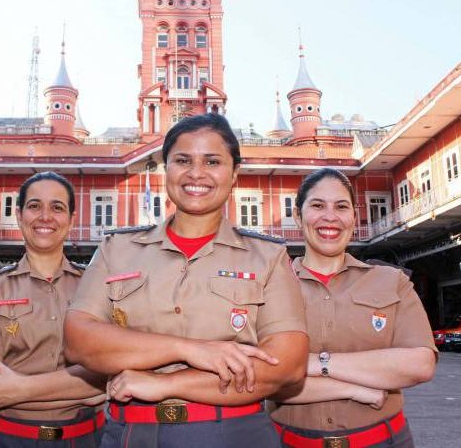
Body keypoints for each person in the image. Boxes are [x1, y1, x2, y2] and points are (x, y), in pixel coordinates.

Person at [64, 113, 308, 448]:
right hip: (135, 435)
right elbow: (79, 340)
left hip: (234, 434)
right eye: (182, 160)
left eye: (212, 161)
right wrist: (190, 350)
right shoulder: (116, 250)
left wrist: (167, 384)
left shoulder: (268, 257)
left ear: (234, 173)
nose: (196, 173)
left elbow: (287, 366)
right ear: (166, 168)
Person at [270, 167, 437, 448]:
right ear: (297, 215)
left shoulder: (392, 281)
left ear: (353, 217)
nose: (330, 217)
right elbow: (264, 380)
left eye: (341, 206)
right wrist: (358, 388)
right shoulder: (269, 286)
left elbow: (419, 365)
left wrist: (311, 363)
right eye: (318, 205)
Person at [0, 171, 106, 447]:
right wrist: (87, 385)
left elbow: (114, 374)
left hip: (88, 439)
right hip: (3, 439)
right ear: (19, 214)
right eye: (35, 206)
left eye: (57, 207)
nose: (45, 216)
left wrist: (19, 389)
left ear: (72, 220)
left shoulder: (98, 286)